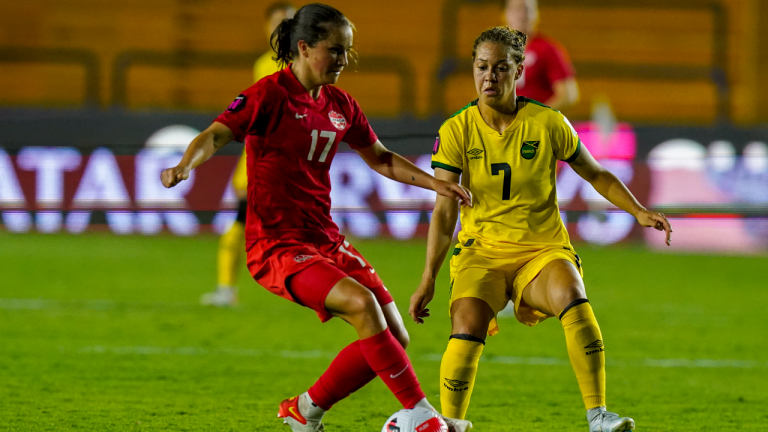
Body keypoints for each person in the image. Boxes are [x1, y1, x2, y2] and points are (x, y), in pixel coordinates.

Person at [161, 4, 473, 431]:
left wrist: (435, 183)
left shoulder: (340, 103)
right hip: (276, 244)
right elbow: (216, 133)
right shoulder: (268, 95)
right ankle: (422, 415)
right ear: (304, 48)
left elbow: (380, 158)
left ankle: (305, 410)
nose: (343, 60)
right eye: (335, 50)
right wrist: (185, 164)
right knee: (363, 306)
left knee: (395, 337)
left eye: (347, 51)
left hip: (324, 238)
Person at [409, 26, 672, 431]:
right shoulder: (456, 130)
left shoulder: (548, 122)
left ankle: (598, 416)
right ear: (473, 70)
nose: (489, 77)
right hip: (482, 251)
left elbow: (596, 174)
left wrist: (637, 210)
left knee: (572, 294)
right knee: (467, 323)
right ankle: (449, 425)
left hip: (542, 248)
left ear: (518, 72)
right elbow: (444, 211)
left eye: (500, 68)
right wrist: (427, 277)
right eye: (482, 67)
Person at [200, 1, 296, 307]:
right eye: (278, 23)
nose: (283, 29)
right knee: (244, 225)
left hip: (287, 164)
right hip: (266, 163)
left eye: (289, 23)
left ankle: (229, 289)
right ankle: (227, 289)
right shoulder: (266, 64)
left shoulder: (300, 65)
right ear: (268, 28)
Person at [504, 0, 579, 111]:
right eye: (516, 9)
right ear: (506, 14)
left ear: (536, 13)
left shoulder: (547, 49)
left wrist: (539, 116)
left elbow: (569, 94)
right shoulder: (498, 50)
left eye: (527, 9)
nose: (521, 15)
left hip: (536, 125)